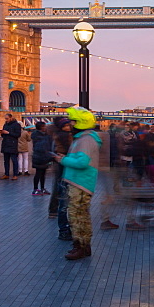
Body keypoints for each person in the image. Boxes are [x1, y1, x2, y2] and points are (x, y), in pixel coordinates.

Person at [58, 106, 101, 260]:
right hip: (77, 182)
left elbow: (83, 162)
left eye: (73, 121)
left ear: (81, 122)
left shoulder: (86, 139)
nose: (70, 124)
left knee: (78, 216)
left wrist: (62, 159)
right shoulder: (84, 138)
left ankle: (81, 246)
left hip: (81, 184)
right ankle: (82, 246)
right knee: (78, 215)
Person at [31, 121, 53, 195]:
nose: (45, 128)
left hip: (45, 157)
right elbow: (41, 146)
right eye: (43, 127)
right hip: (39, 157)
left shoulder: (46, 135)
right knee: (38, 173)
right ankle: (35, 188)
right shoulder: (38, 136)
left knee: (43, 173)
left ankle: (42, 188)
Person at [0, 113, 22, 180]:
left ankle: (15, 175)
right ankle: (6, 174)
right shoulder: (5, 124)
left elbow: (18, 134)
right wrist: (2, 133)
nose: (6, 120)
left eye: (7, 118)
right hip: (5, 144)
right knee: (6, 161)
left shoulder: (17, 125)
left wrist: (8, 133)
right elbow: (3, 136)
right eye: (5, 119)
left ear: (11, 117)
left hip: (12, 144)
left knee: (14, 160)